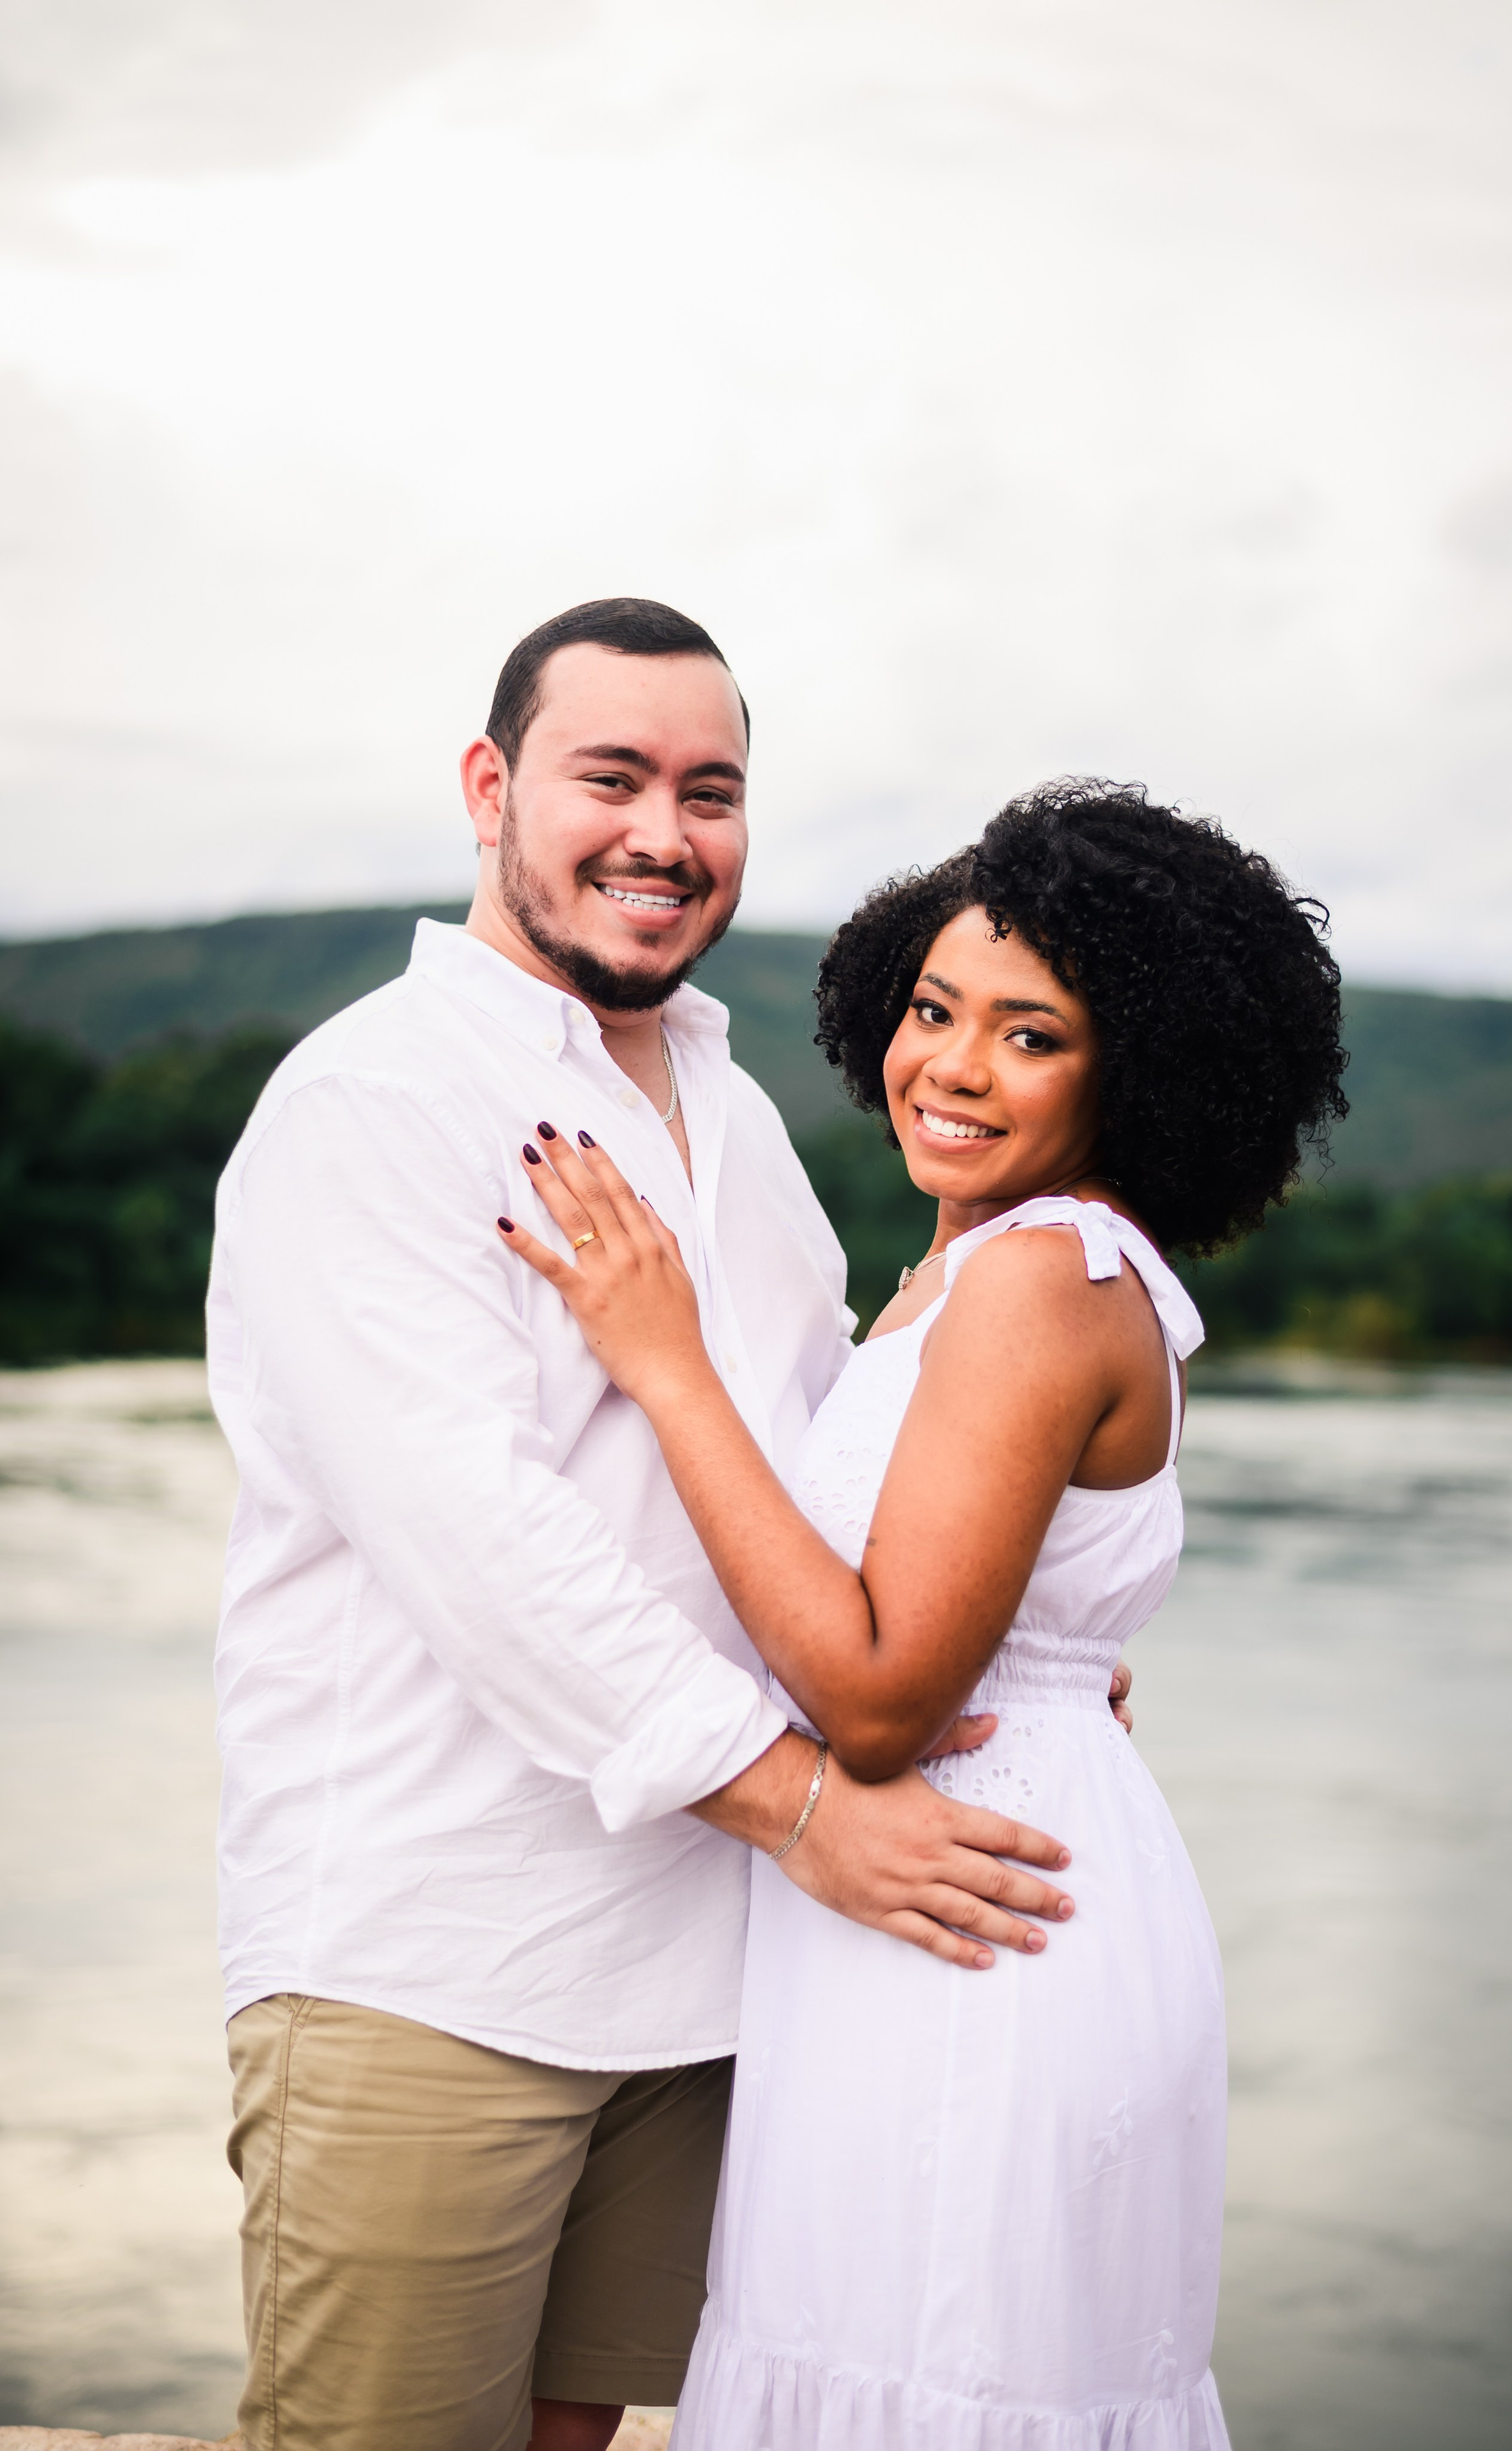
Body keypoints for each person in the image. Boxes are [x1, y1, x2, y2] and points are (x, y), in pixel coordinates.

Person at [206, 599, 1096, 2451]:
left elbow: (811, 1477)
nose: (664, 833)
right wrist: (805, 1808)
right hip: (428, 1963)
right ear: (489, 787)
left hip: (699, 1981)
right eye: (610, 776)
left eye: (713, 790)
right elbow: (483, 1544)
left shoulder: (740, 1119)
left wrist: (1012, 1642)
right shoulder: (371, 1102)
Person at [497, 779, 1349, 2447]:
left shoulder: (1042, 1277)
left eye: (1029, 1034)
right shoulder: (984, 1267)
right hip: (962, 1878)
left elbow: (883, 1695)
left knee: (937, 2371)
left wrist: (664, 1364)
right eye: (934, 1008)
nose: (949, 1064)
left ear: (1137, 1069)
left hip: (972, 1918)